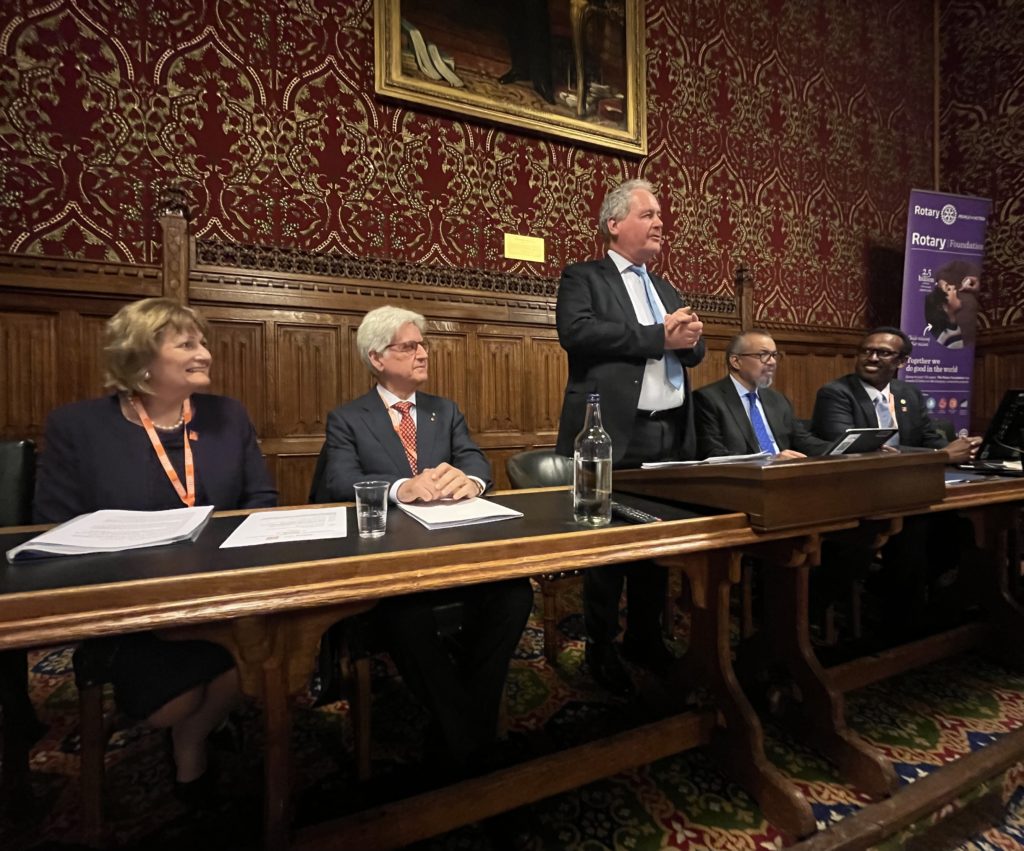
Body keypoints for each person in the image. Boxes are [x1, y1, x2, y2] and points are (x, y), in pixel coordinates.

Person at [34, 297, 277, 803]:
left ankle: (191, 745)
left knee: (267, 662)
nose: (205, 353)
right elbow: (53, 524)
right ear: (141, 358)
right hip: (129, 604)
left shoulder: (227, 416)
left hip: (220, 593)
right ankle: (189, 728)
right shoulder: (77, 427)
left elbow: (260, 499)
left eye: (203, 342)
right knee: (173, 701)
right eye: (187, 344)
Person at [321, 305, 533, 776]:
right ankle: (472, 741)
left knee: (516, 595)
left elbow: (476, 462)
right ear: (377, 358)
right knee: (407, 616)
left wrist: (471, 482)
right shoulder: (348, 419)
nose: (423, 353)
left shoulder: (445, 410)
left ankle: (455, 730)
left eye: (423, 344)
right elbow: (338, 481)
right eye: (409, 346)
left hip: (457, 554)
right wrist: (401, 487)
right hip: (393, 565)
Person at [555, 178, 705, 695]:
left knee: (655, 542)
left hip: (668, 434)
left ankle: (645, 636)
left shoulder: (664, 287)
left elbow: (693, 352)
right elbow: (577, 333)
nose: (660, 222)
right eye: (648, 214)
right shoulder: (584, 277)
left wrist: (688, 340)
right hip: (610, 434)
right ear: (614, 224)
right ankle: (601, 645)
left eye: (661, 214)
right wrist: (657, 337)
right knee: (608, 546)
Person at [811, 326, 981, 641]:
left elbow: (929, 438)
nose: (871, 358)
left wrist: (962, 449)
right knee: (912, 529)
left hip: (909, 488)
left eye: (883, 353)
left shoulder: (909, 395)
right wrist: (939, 456)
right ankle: (901, 622)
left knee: (960, 525)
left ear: (901, 361)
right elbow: (851, 449)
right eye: (866, 351)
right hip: (857, 495)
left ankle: (942, 604)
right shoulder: (836, 393)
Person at [694, 330, 829, 459]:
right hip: (743, 479)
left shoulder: (777, 399)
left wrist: (844, 448)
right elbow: (714, 454)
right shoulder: (707, 400)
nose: (772, 362)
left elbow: (802, 440)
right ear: (736, 361)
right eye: (763, 355)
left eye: (774, 355)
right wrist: (769, 461)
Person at [924, 280, 964, 348]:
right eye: (948, 289)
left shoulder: (957, 329)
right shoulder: (944, 338)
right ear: (943, 306)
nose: (954, 287)